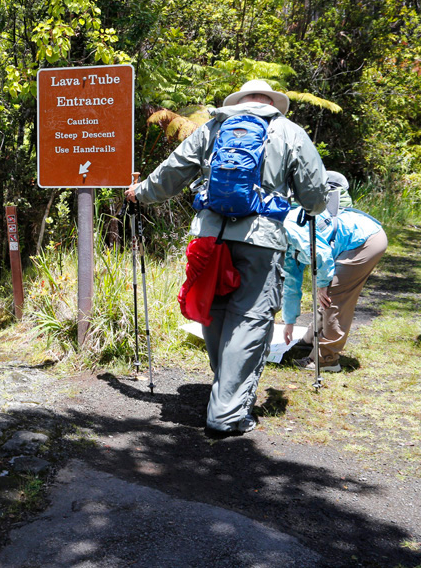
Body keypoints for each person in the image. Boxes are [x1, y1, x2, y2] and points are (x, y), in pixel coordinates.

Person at [126, 79, 328, 435]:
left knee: (214, 311)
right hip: (261, 241)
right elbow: (314, 195)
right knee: (250, 319)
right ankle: (227, 413)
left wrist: (139, 194)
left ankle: (226, 390)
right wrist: (313, 204)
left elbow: (173, 172)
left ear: (240, 100)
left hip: (208, 237)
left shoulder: (213, 127)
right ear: (272, 103)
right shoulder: (288, 131)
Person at [282, 176, 386, 372]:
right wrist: (289, 322)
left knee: (333, 295)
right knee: (327, 291)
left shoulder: (289, 227)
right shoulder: (283, 246)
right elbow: (291, 285)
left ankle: (327, 359)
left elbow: (320, 254)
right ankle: (311, 338)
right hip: (348, 242)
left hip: (365, 240)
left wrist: (323, 284)